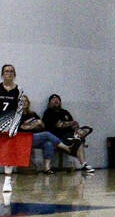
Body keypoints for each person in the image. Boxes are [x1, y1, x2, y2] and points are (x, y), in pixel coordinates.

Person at [18, 94, 75, 174]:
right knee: (47, 134)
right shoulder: (16, 115)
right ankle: (66, 148)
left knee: (48, 143)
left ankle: (47, 168)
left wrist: (37, 124)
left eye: (26, 101)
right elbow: (23, 128)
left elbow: (42, 126)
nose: (24, 103)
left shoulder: (32, 114)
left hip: (35, 138)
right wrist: (35, 124)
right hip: (23, 138)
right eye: (21, 101)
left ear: (28, 103)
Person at [42, 94, 93, 173]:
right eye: (53, 99)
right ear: (49, 103)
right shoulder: (48, 113)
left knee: (84, 132)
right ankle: (83, 163)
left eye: (58, 99)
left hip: (70, 135)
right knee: (78, 140)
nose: (56, 101)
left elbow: (74, 124)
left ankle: (84, 164)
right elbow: (59, 125)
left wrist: (77, 129)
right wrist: (71, 123)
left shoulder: (65, 112)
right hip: (57, 137)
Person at [1, 64, 20, 193]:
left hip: (10, 124)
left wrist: (13, 127)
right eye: (6, 71)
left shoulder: (19, 90)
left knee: (9, 153)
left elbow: (20, 110)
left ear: (15, 74)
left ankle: (7, 181)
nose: (9, 73)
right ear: (2, 74)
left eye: (11, 71)